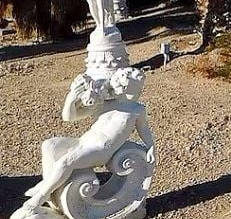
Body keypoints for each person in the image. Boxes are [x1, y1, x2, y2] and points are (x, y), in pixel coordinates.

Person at [22, 68, 154, 211]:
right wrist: (71, 99)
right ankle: (48, 184)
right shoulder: (106, 103)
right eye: (117, 84)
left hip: (100, 150)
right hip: (83, 141)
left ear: (133, 87)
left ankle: (41, 195)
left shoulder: (137, 110)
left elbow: (144, 129)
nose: (116, 88)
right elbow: (70, 117)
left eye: (121, 85)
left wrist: (151, 147)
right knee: (49, 145)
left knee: (66, 162)